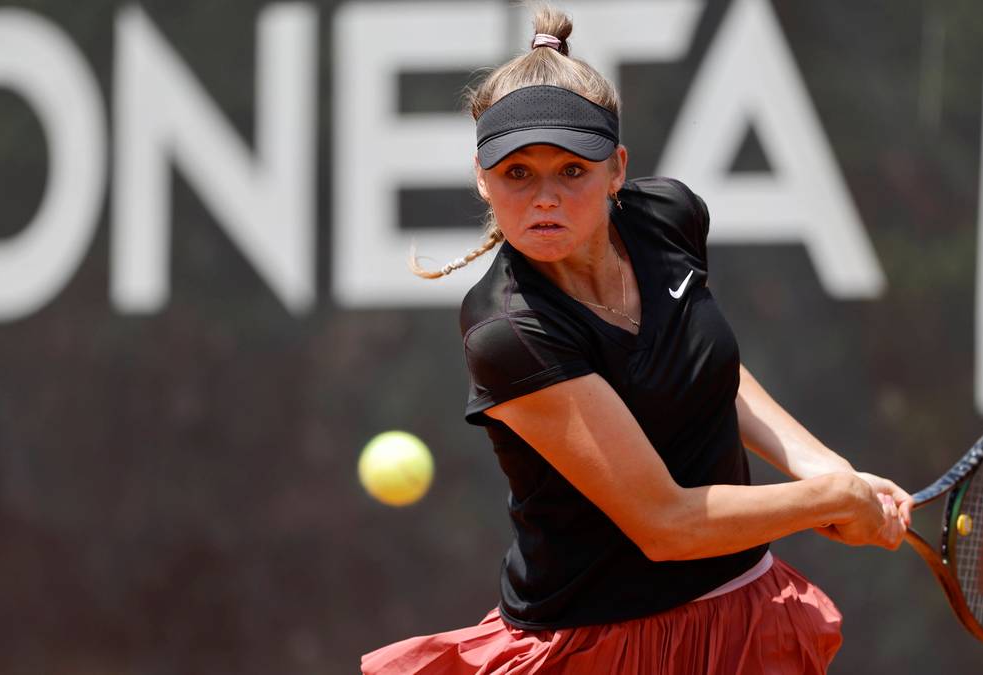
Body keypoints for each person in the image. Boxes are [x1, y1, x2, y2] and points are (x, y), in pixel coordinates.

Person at [362, 5, 913, 673]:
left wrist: (822, 465)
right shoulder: (509, 332)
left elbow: (707, 371)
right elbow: (666, 524)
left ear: (615, 169)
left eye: (573, 171)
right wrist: (829, 499)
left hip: (742, 608)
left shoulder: (667, 218)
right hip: (600, 644)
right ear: (483, 177)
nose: (545, 198)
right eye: (517, 174)